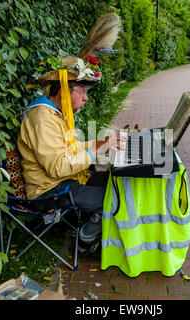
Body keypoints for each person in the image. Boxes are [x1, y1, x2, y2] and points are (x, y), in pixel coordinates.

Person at [17, 13, 125, 255]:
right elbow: (57, 167)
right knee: (117, 197)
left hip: (63, 183)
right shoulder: (42, 118)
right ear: (63, 90)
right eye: (81, 91)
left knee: (120, 184)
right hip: (50, 191)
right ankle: (86, 242)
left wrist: (98, 143)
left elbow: (68, 149)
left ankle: (94, 232)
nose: (86, 98)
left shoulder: (55, 113)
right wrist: (97, 151)